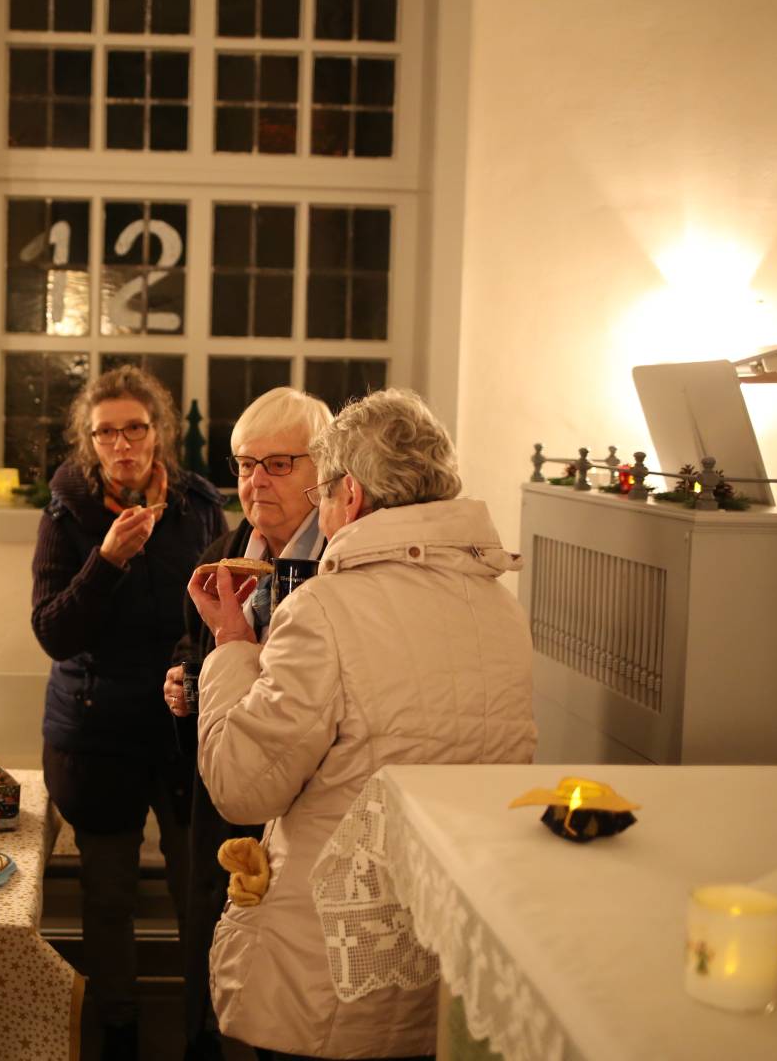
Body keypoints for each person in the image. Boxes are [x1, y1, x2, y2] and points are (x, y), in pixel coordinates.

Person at [187, 388, 537, 1060]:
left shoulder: (323, 609)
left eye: (320, 493)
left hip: (331, 960)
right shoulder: (500, 608)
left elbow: (241, 787)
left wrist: (231, 649)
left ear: (350, 496)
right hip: (447, 941)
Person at [30, 365, 226, 1058]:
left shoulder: (199, 507)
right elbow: (53, 631)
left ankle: (203, 1027)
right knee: (108, 896)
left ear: (157, 432)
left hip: (182, 728)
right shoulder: (68, 512)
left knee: (196, 887)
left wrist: (195, 674)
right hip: (96, 733)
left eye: (134, 428)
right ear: (89, 441)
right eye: (106, 432)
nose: (122, 444)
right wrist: (106, 560)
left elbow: (224, 613)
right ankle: (117, 1027)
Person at [162, 386, 333, 1061]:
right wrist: (185, 683)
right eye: (243, 465)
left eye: (278, 464)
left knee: (290, 1006)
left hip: (305, 809)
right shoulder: (226, 546)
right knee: (219, 975)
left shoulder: (338, 565)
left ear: (324, 470)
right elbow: (193, 645)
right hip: (227, 806)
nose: (255, 480)